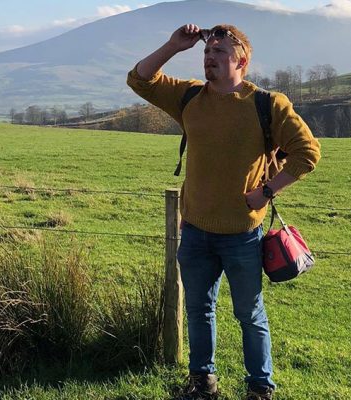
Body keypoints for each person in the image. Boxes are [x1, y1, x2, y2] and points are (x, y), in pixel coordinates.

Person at [127, 23, 321, 400]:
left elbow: (308, 152)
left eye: (219, 51)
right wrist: (173, 45)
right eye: (206, 51)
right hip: (195, 231)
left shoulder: (268, 104)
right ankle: (203, 384)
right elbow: (139, 80)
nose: (209, 57)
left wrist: (268, 191)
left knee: (249, 315)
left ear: (241, 61)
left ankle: (260, 389)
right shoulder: (189, 97)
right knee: (199, 310)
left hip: (242, 235)